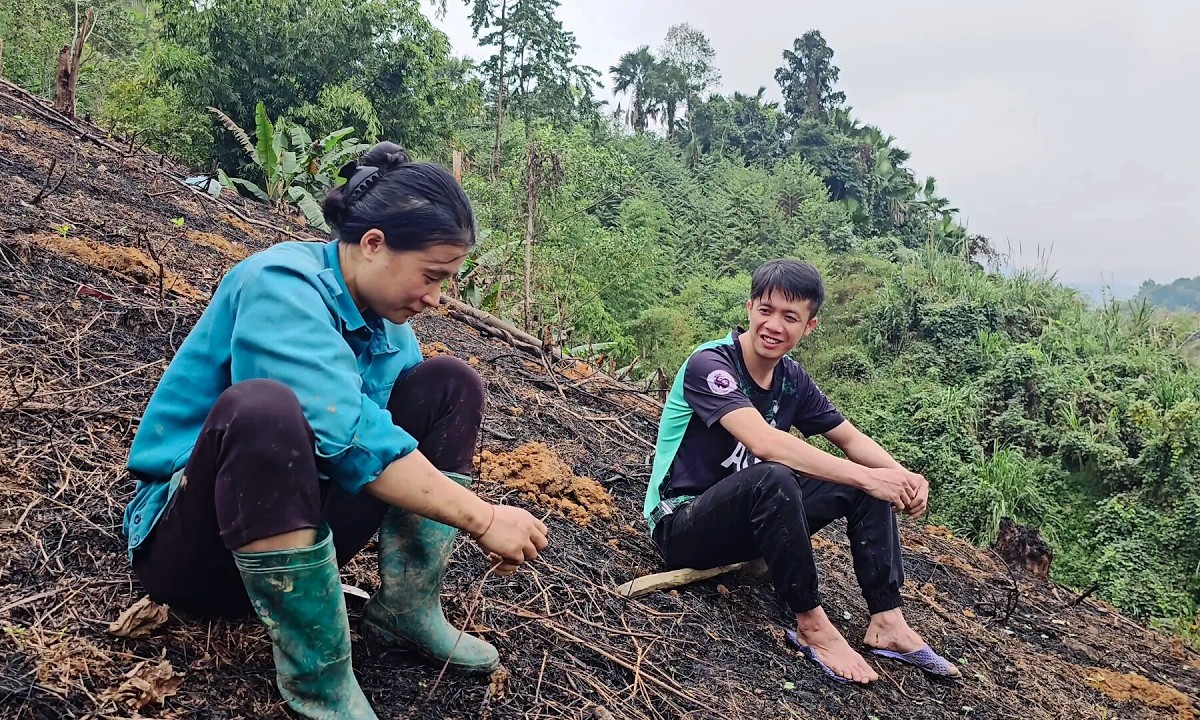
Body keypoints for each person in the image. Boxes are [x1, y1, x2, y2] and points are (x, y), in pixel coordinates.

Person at [121, 142, 549, 719]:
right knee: (264, 410)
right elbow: (350, 434)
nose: (436, 297)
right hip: (196, 550)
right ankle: (320, 680)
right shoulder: (280, 284)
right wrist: (485, 517)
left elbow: (387, 436)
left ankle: (406, 609)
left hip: (300, 535)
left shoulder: (385, 319)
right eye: (430, 275)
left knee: (449, 383)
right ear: (373, 244)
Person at [642, 258, 959, 684]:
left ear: (809, 326)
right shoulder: (710, 365)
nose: (774, 325)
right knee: (779, 475)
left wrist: (903, 477)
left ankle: (888, 621)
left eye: (790, 317)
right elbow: (765, 443)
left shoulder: (792, 380)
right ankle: (811, 624)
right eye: (766, 310)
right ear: (750, 307)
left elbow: (849, 439)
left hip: (748, 528)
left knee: (864, 486)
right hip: (683, 525)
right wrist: (866, 474)